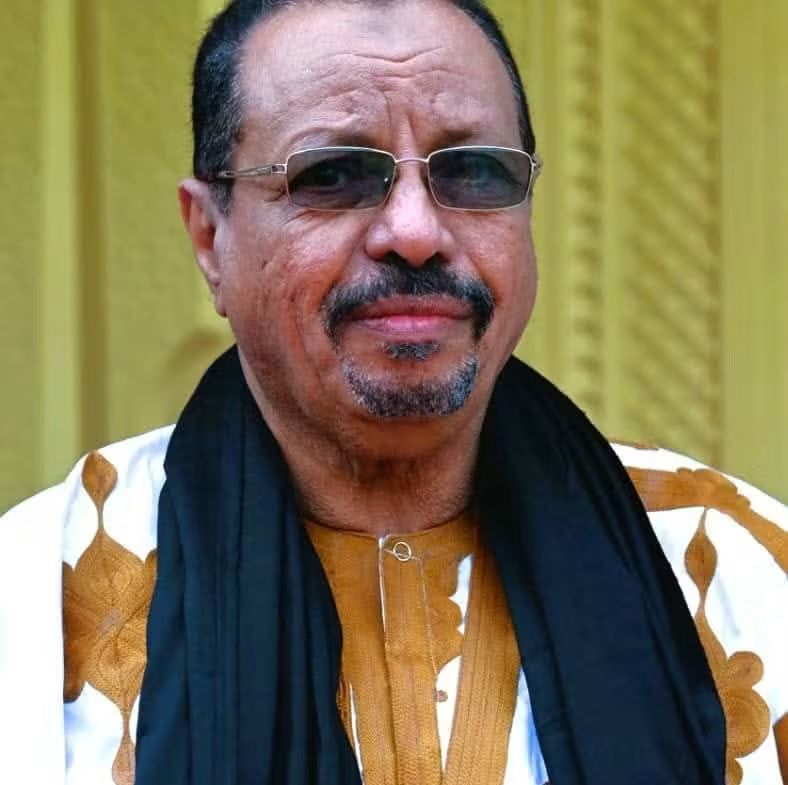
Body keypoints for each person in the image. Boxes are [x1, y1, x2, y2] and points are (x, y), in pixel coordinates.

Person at [1, 0, 786, 783]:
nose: (414, 231)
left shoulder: (744, 572)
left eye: (473, 171)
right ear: (211, 238)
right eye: (333, 175)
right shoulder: (35, 602)